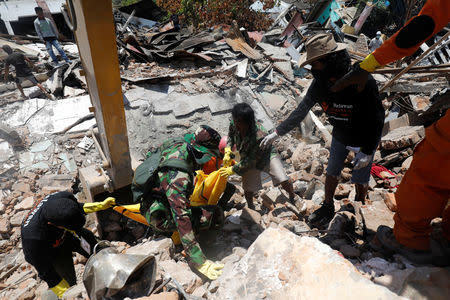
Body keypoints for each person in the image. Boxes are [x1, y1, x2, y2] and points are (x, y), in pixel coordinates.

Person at [332, 0, 449, 266]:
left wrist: (367, 65)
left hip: (363, 140)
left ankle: (410, 238)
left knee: (434, 163)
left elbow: (421, 27)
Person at [260, 34, 384, 227]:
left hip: (364, 136)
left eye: (315, 64)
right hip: (341, 135)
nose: (312, 69)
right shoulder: (320, 84)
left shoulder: (360, 80)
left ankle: (360, 208)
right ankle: (327, 206)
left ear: (329, 61)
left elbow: (377, 117)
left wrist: (368, 151)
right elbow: (302, 109)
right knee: (332, 171)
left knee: (360, 177)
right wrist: (277, 132)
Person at [141, 125, 228, 280]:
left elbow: (150, 155)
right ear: (201, 153)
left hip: (153, 201)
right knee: (215, 213)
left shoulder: (177, 143)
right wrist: (198, 261)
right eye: (209, 156)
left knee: (189, 208)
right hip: (158, 215)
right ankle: (200, 250)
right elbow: (181, 216)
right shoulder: (179, 177)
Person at [21, 191, 116, 298]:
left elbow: (77, 208)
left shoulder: (63, 197)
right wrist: (67, 294)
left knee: (101, 251)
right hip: (51, 252)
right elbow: (47, 273)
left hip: (68, 235)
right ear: (52, 224)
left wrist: (100, 205)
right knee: (69, 287)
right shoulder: (33, 240)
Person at [220, 103, 296, 210]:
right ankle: (251, 207)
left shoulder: (259, 134)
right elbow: (231, 137)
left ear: (248, 122)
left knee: (282, 178)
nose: (236, 124)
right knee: (248, 187)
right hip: (247, 156)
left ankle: (292, 196)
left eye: (239, 122)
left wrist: (232, 169)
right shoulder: (235, 123)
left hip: (267, 156)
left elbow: (251, 161)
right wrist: (228, 149)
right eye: (235, 120)